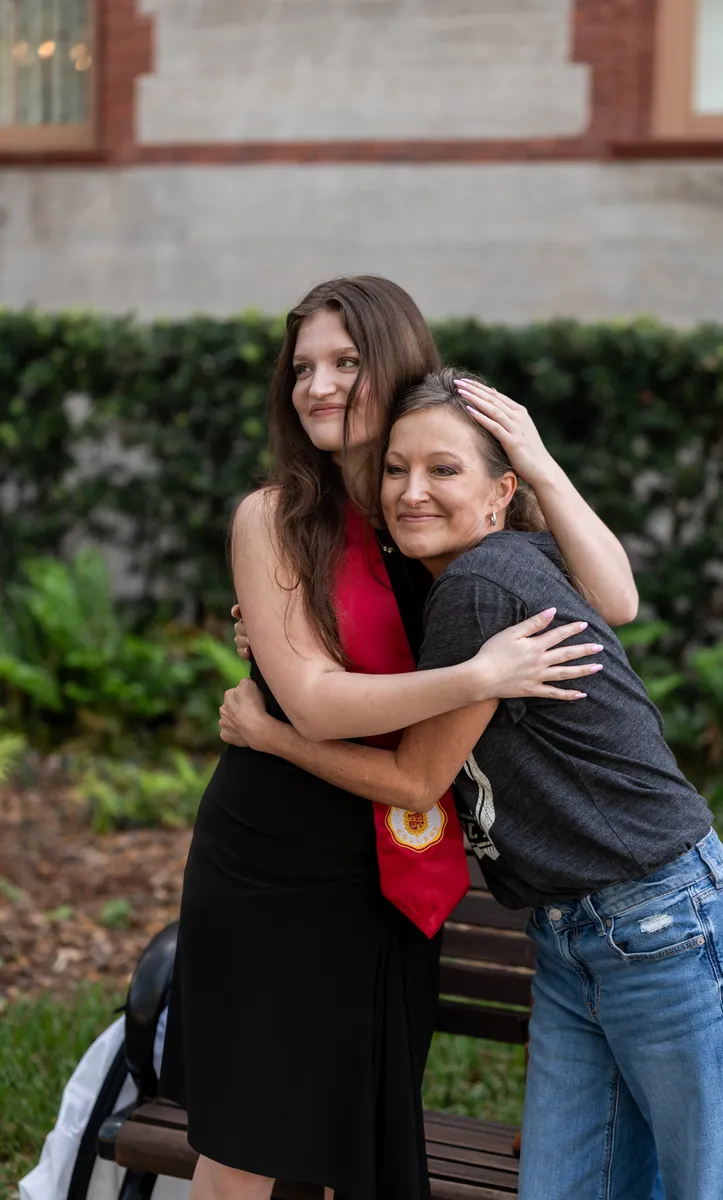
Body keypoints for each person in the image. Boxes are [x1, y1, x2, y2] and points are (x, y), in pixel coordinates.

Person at [222, 367, 723, 1200]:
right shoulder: (480, 574)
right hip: (577, 938)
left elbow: (417, 780)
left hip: (662, 922)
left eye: (444, 470)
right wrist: (285, 634)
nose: (411, 491)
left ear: (500, 495)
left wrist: (271, 735)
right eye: (396, 470)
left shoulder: (485, 589)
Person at [159, 277, 639, 1200]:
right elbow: (311, 700)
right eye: (302, 368)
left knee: (362, 1131)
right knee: (249, 1142)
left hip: (397, 861)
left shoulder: (432, 503)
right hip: (278, 862)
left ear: (398, 362)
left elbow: (613, 600)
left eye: (345, 362)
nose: (317, 385)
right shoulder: (275, 518)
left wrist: (536, 462)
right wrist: (477, 677)